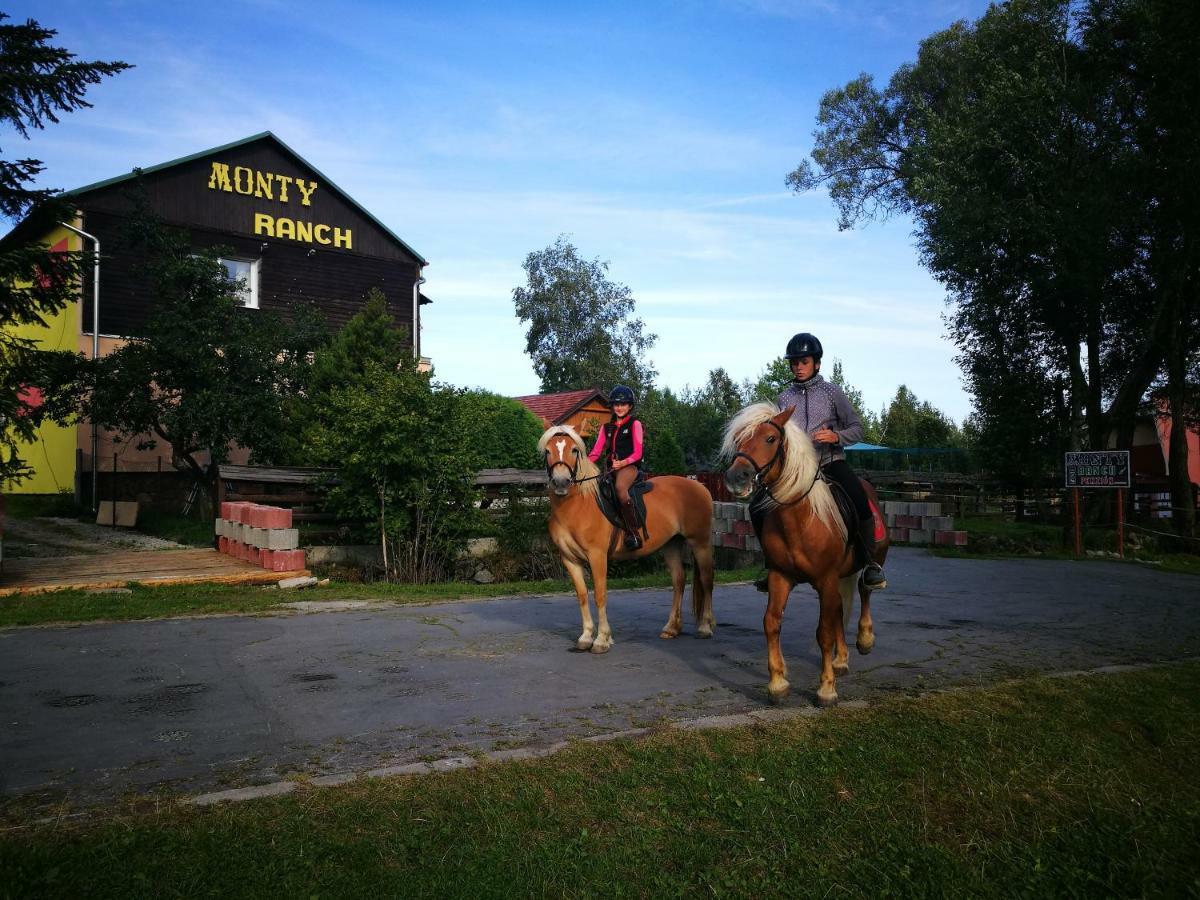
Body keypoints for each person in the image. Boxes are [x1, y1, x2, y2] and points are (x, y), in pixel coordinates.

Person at [776, 332, 886, 589]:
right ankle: (773, 563)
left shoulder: (832, 392)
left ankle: (870, 563)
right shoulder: (783, 398)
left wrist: (836, 436)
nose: (798, 367)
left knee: (858, 498)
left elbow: (857, 428)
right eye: (794, 363)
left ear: (817, 363)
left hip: (829, 462)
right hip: (796, 471)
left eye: (804, 362)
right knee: (762, 505)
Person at [587, 384, 646, 549]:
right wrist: (583, 465)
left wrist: (623, 463)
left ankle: (633, 533)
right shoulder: (606, 428)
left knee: (620, 488)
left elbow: (638, 453)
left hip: (629, 467)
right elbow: (595, 452)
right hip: (610, 469)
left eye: (623, 404)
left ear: (630, 406)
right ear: (612, 406)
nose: (619, 408)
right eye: (616, 404)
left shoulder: (635, 424)